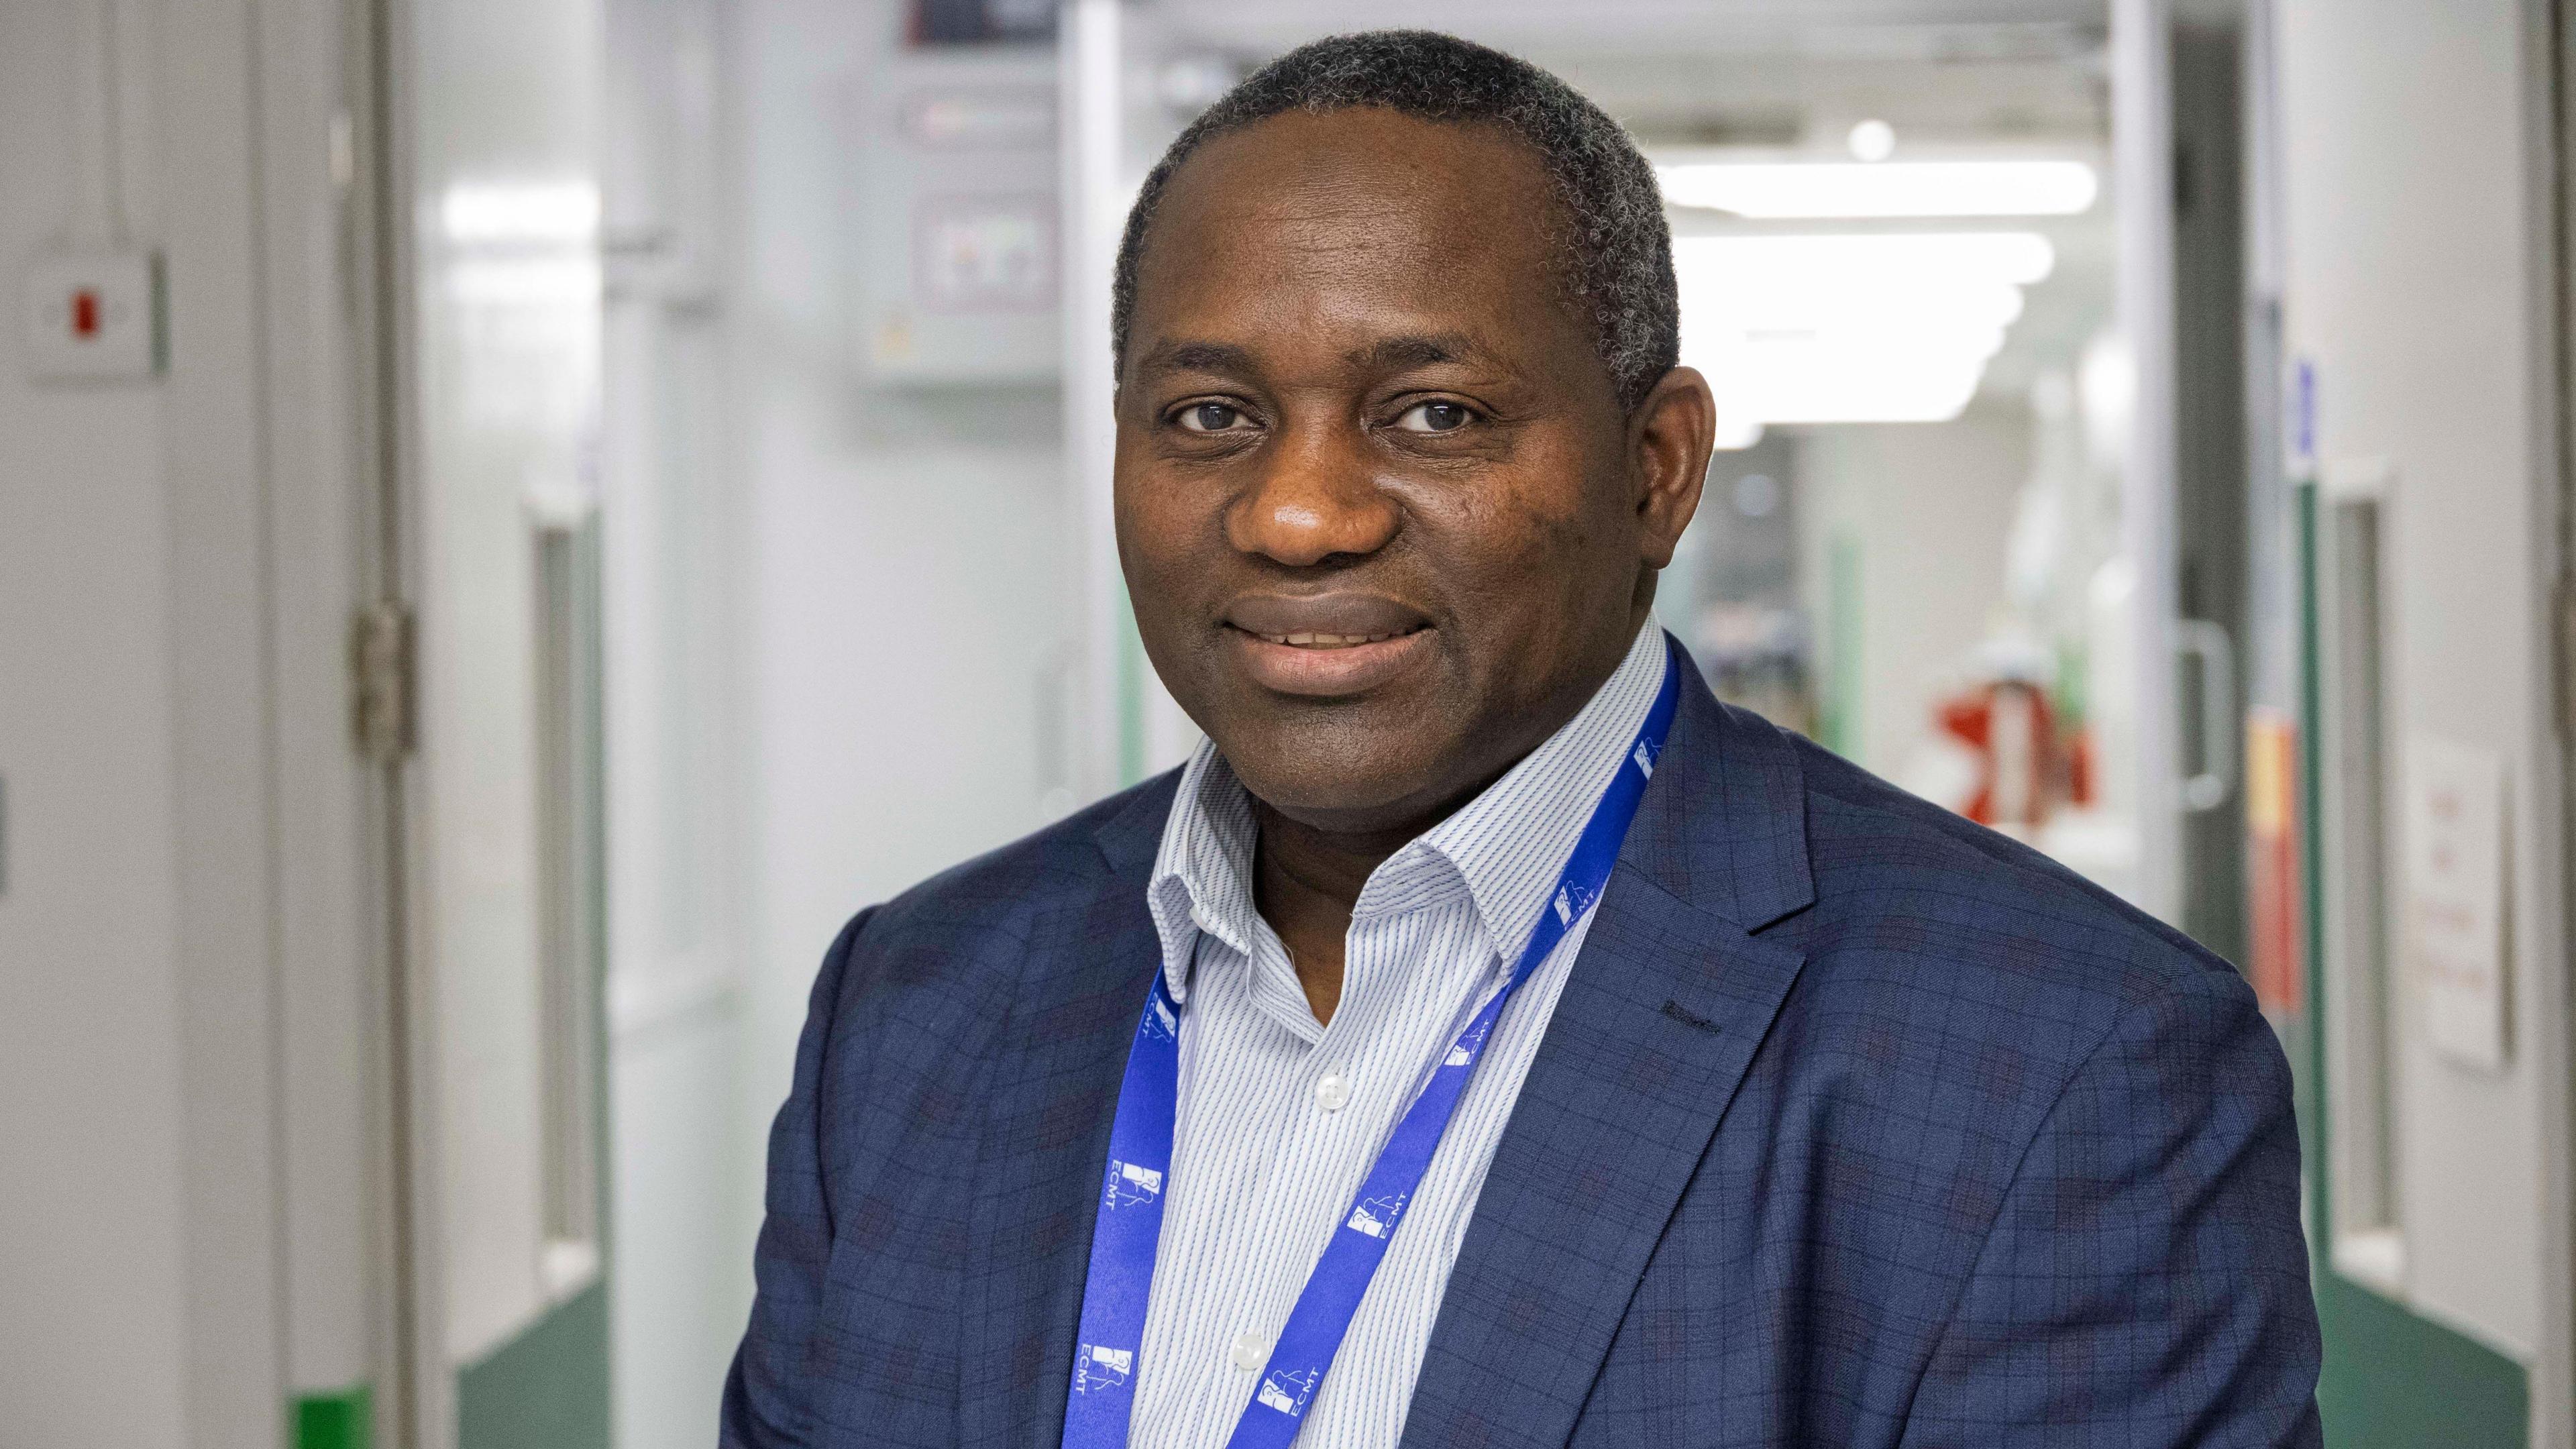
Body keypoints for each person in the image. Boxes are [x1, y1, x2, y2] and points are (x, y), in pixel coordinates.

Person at [722, 29, 2321, 1449]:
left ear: (1657, 468)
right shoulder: (918, 1007)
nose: (1298, 515)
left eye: (1436, 415)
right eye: (1210, 416)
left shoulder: (2058, 1069)